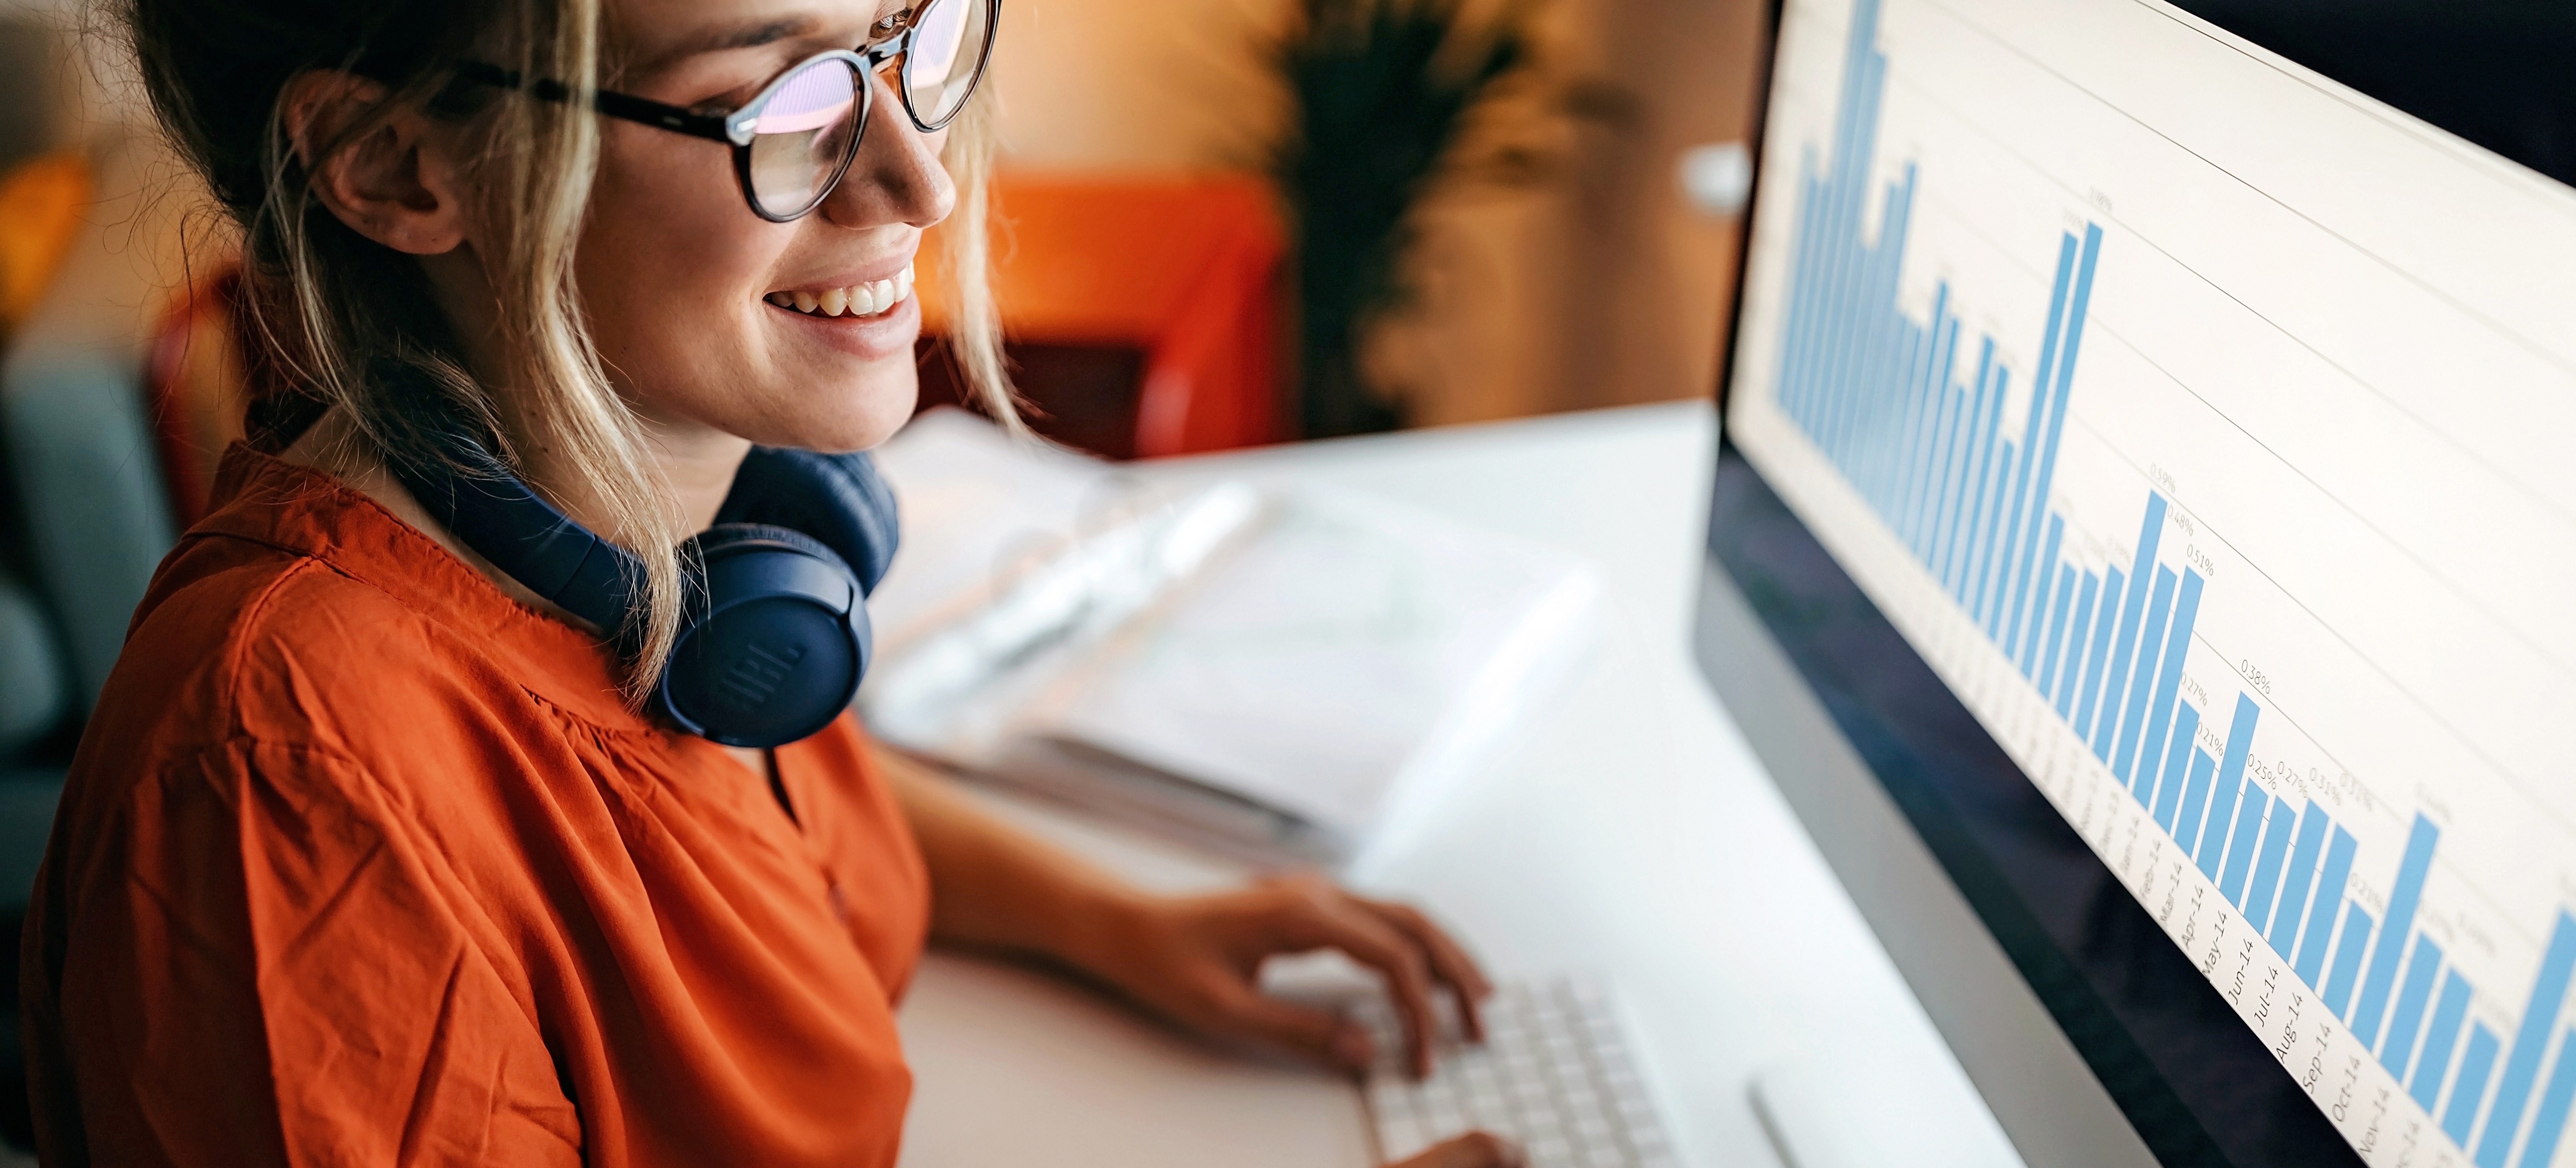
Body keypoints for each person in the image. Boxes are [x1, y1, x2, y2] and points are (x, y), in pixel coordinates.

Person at [15, 0, 1518, 1163]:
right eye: (774, 100)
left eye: (906, 40)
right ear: (397, 167)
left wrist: (1126, 925)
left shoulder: (665, 549)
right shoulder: (289, 793)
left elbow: (713, 806)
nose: (917, 179)